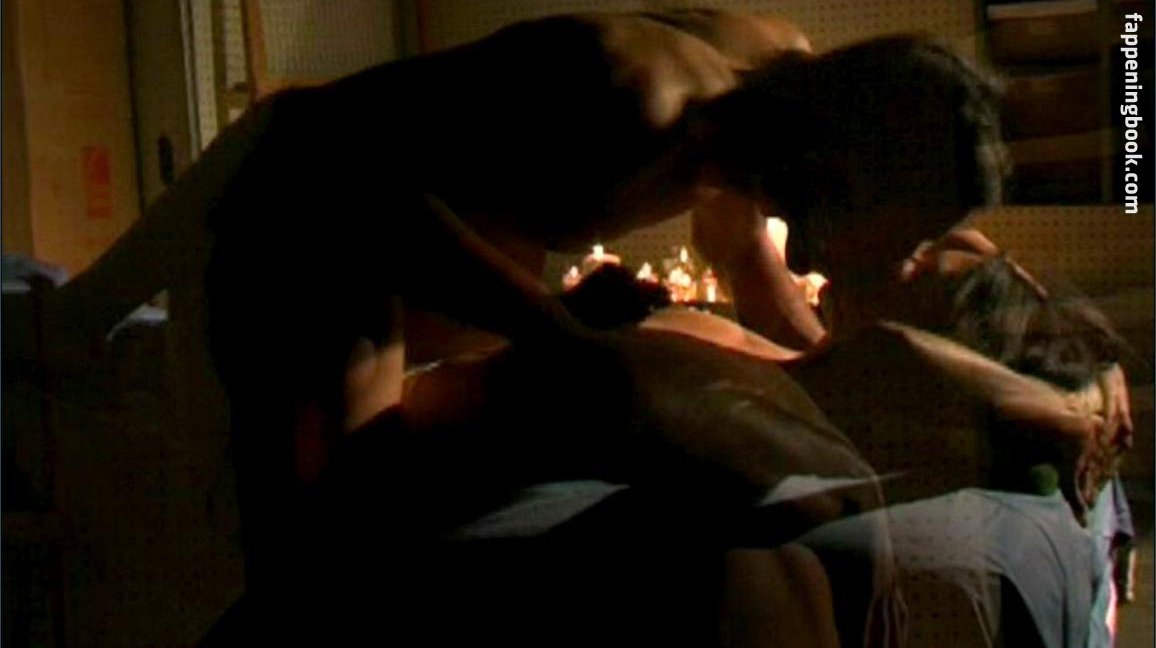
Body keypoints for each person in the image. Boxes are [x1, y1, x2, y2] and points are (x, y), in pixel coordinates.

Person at [41, 9, 1007, 635]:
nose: (844, 263)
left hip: (384, 235)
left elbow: (754, 269)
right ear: (845, 162)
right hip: (299, 220)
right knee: (323, 567)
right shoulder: (638, 107)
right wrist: (556, 331)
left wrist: (847, 375)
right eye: (877, 231)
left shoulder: (771, 92)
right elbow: (341, 175)